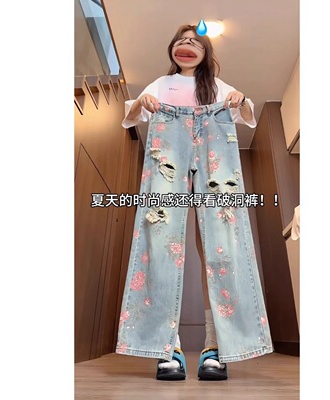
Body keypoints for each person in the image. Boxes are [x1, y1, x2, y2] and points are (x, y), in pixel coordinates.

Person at [116, 24, 273, 381]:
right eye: (181, 40)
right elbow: (132, 115)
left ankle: (216, 344)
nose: (186, 44)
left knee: (221, 243)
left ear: (205, 53)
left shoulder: (216, 85)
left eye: (194, 41)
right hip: (168, 133)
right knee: (161, 238)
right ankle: (166, 346)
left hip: (215, 131)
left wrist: (240, 100)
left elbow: (246, 112)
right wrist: (142, 102)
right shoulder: (162, 83)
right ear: (172, 49)